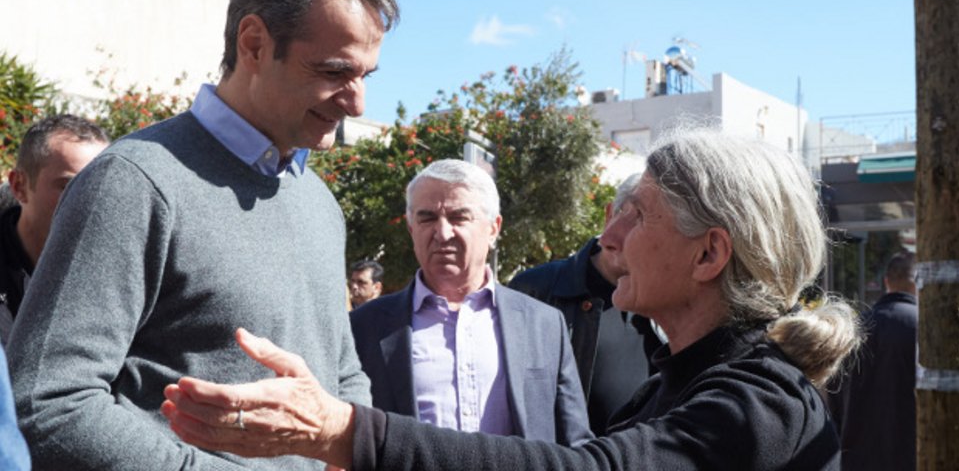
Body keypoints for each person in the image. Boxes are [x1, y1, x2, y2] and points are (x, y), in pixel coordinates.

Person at [161, 132, 861, 470]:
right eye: (426, 217)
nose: (609, 235)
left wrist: (346, 431)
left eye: (638, 215)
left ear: (709, 254)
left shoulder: (760, 403)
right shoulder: (675, 384)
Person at [8, 0, 398, 469]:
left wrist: (349, 451)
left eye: (365, 76)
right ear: (254, 44)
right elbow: (47, 402)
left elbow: (341, 372)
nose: (357, 103)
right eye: (334, 71)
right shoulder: (132, 182)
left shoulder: (320, 203)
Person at [348, 159, 591, 444]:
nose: (442, 233)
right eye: (427, 218)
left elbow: (575, 442)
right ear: (411, 229)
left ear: (493, 228)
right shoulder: (365, 327)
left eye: (458, 217)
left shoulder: (543, 324)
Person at [508, 173, 665, 435]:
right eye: (626, 215)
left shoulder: (668, 299)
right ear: (609, 215)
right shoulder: (534, 290)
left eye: (643, 222)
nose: (626, 236)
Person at [1, 115, 109, 345]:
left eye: (101, 187)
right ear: (19, 186)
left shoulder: (118, 269)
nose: (91, 201)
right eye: (69, 186)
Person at [829, 252, 918, 471]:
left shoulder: (854, 328)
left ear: (886, 282)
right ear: (918, 284)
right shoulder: (923, 326)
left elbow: (834, 398)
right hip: (910, 456)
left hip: (856, 458)